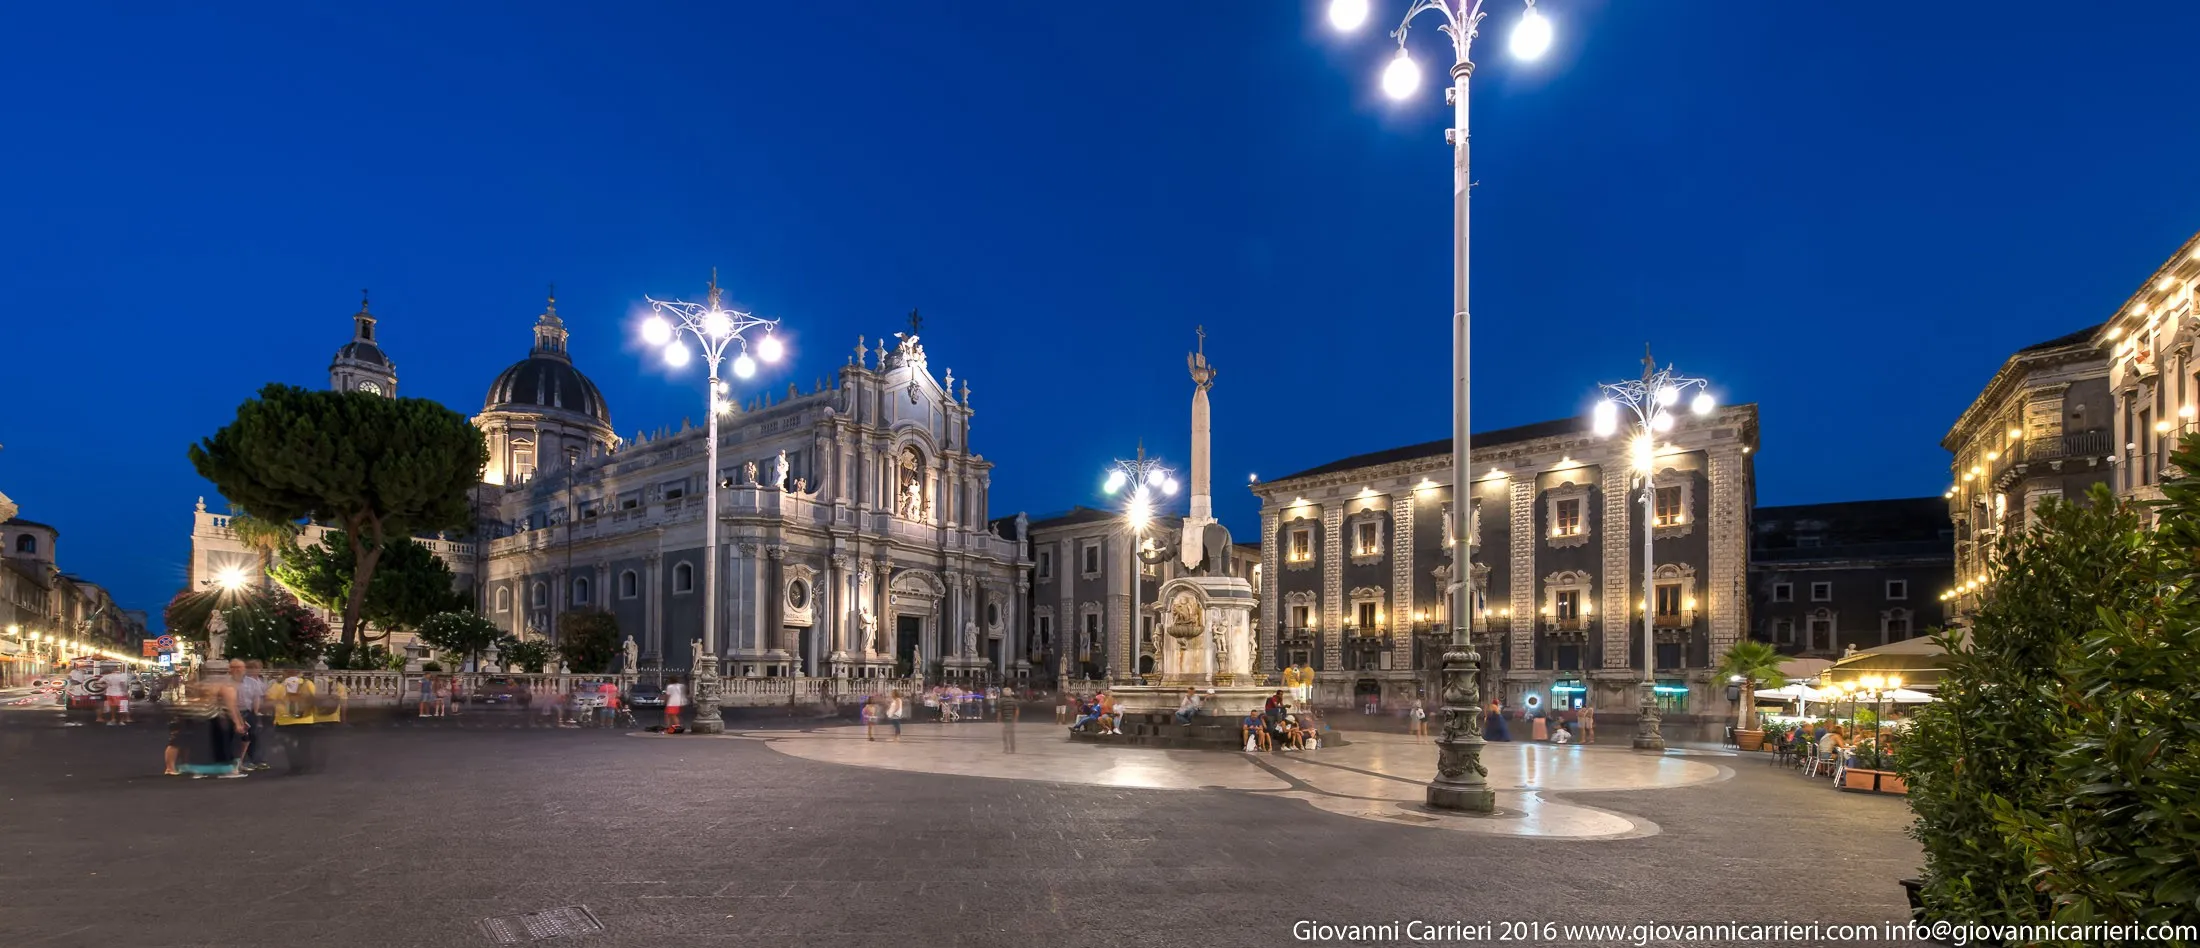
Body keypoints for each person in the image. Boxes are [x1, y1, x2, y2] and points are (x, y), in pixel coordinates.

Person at [271, 667, 323, 774]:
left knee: (291, 746)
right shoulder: (307, 683)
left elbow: (270, 699)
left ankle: (296, 767)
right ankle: (304, 766)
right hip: (302, 719)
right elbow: (315, 699)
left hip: (287, 720)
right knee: (303, 745)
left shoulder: (278, 685)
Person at [233, 660, 270, 771]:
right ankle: (239, 761)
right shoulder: (229, 681)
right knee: (238, 737)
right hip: (234, 712)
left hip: (248, 711)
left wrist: (255, 713)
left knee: (253, 736)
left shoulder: (252, 682)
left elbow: (256, 698)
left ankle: (255, 760)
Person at [999, 685, 1018, 754]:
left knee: (1004, 734)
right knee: (1011, 735)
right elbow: (1016, 711)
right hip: (1011, 720)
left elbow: (1000, 711)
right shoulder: (1013, 700)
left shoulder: (1001, 701)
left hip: (1005, 720)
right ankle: (1013, 749)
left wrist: (999, 720)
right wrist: (1015, 719)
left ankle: (1006, 748)